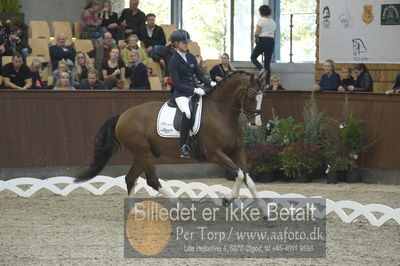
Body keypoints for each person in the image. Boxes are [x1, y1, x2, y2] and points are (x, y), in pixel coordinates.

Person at [168, 30, 216, 158]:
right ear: (176, 43)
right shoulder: (173, 60)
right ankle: (183, 146)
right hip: (181, 94)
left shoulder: (190, 56)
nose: (186, 45)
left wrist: (210, 83)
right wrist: (194, 90)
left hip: (195, 89)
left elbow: (199, 74)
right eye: (183, 43)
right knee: (187, 113)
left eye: (187, 42)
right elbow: (177, 83)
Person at [251, 4, 276, 84]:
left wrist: (256, 38)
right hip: (271, 41)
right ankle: (267, 84)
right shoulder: (273, 22)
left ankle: (261, 69)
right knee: (267, 64)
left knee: (253, 57)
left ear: (261, 12)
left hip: (263, 40)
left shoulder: (261, 20)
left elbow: (257, 33)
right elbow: (274, 35)